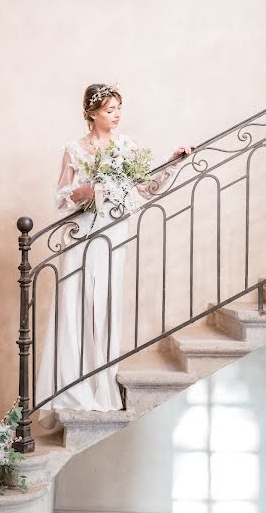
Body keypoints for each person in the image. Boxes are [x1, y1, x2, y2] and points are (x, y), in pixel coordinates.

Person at [36, 83, 193, 429]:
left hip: (113, 230)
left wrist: (172, 162)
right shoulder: (74, 149)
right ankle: (69, 388)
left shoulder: (127, 146)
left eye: (119, 107)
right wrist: (92, 188)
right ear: (91, 113)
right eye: (109, 109)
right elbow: (62, 196)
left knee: (104, 303)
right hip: (82, 231)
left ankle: (101, 384)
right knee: (75, 303)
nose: (117, 115)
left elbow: (147, 187)